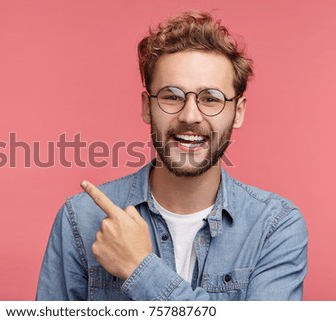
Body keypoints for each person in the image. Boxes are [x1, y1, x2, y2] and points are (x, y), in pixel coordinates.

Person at [36, 10, 308, 301]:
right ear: (146, 106)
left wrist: (140, 269)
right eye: (172, 96)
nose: (190, 116)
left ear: (238, 111)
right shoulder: (81, 219)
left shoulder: (275, 226)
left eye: (210, 99)